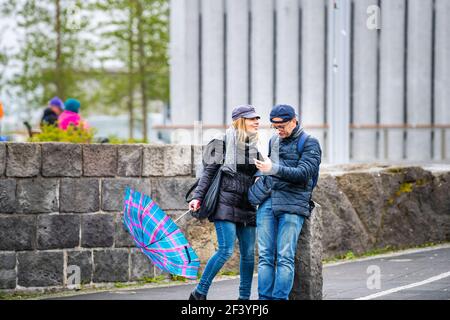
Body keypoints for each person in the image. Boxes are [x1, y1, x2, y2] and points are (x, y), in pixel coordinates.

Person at [188, 105, 263, 300]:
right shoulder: (221, 143)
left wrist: (259, 174)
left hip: (247, 204)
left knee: (248, 254)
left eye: (257, 118)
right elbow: (208, 173)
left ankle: (244, 299)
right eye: (251, 118)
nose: (256, 121)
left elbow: (263, 168)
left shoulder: (254, 146)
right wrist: (197, 196)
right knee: (226, 249)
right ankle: (199, 293)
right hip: (225, 202)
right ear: (240, 121)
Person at [248, 104, 322, 300]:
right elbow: (268, 165)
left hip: (292, 205)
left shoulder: (309, 143)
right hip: (268, 202)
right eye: (274, 126)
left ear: (294, 121)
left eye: (281, 126)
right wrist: (259, 174)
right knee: (265, 257)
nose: (278, 130)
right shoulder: (274, 140)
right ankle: (264, 300)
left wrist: (273, 169)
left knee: (284, 257)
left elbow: (304, 173)